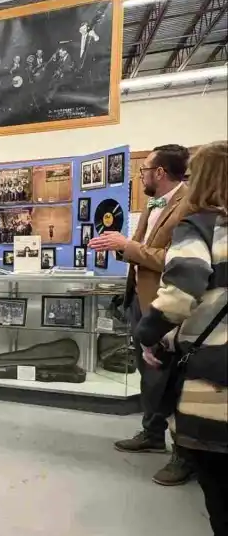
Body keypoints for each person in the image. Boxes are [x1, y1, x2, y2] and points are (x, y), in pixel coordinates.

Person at [136, 141, 228, 536]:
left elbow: (181, 291)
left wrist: (150, 336)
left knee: (221, 484)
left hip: (216, 377)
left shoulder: (202, 226)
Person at [90, 144, 192, 485]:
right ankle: (151, 433)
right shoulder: (153, 204)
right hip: (139, 300)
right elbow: (139, 250)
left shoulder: (188, 205)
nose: (142, 175)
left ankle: (184, 454)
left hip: (167, 304)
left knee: (172, 378)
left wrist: (127, 246)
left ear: (159, 172)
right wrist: (119, 247)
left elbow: (175, 261)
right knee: (148, 373)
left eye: (144, 169)